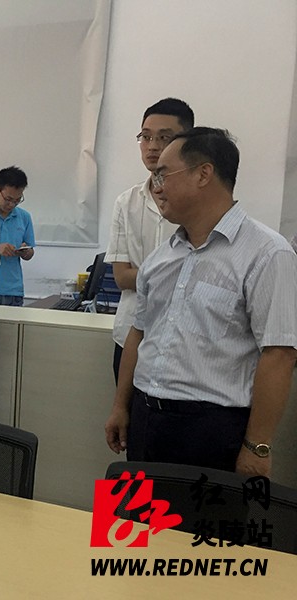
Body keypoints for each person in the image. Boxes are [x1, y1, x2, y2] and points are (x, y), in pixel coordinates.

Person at [104, 127, 297, 477]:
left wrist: (258, 446)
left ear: (203, 174)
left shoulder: (268, 253)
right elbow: (139, 333)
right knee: (128, 513)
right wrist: (121, 406)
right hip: (144, 417)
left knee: (199, 516)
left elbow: (280, 354)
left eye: (163, 174)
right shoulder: (160, 258)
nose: (156, 187)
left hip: (211, 431)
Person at [105, 98, 192, 382]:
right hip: (129, 337)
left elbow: (201, 278)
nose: (152, 146)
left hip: (182, 343)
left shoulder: (196, 202)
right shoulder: (126, 202)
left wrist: (143, 274)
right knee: (124, 409)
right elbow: (121, 277)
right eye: (145, 136)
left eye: (164, 137)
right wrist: (177, 273)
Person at [0, 166, 35, 307]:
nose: (12, 204)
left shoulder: (24, 217)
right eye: (8, 199)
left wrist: (26, 252)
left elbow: (30, 252)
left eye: (17, 200)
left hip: (15, 290)